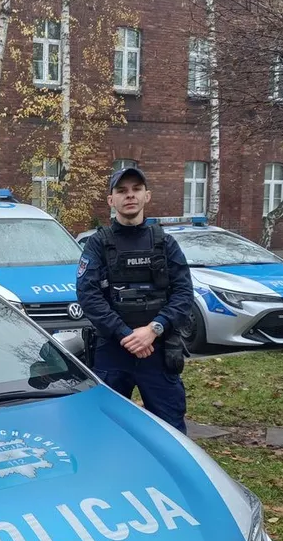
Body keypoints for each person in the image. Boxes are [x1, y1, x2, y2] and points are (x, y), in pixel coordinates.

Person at [76, 167, 194, 433]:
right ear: (111, 200)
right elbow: (88, 295)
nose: (129, 196)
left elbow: (184, 293)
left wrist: (154, 329)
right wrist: (126, 335)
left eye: (136, 189)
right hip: (113, 351)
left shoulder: (165, 243)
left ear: (147, 195)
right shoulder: (97, 244)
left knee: (170, 429)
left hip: (158, 351)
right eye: (121, 191)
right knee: (106, 428)